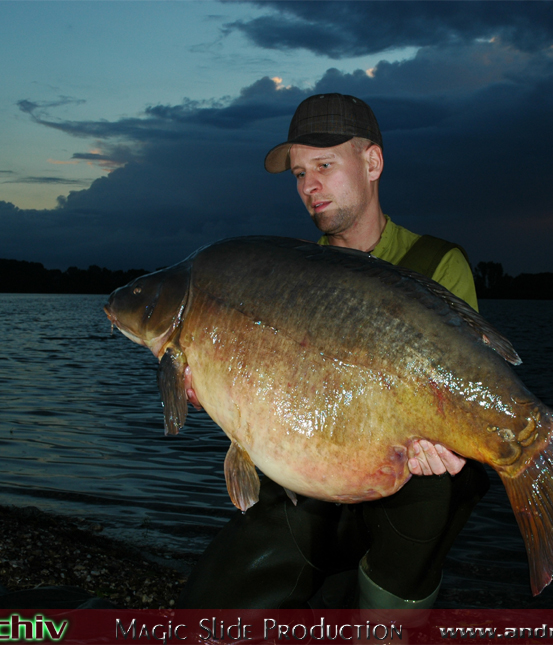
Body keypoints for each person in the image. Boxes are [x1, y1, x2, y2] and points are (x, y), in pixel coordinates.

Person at [177, 93, 489, 609]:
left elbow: (470, 388)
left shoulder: (438, 263)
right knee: (207, 614)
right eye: (299, 174)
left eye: (324, 166)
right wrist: (214, 386)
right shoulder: (287, 274)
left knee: (435, 487)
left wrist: (450, 440)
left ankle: (385, 627)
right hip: (314, 478)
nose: (308, 186)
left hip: (410, 489)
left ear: (372, 163)